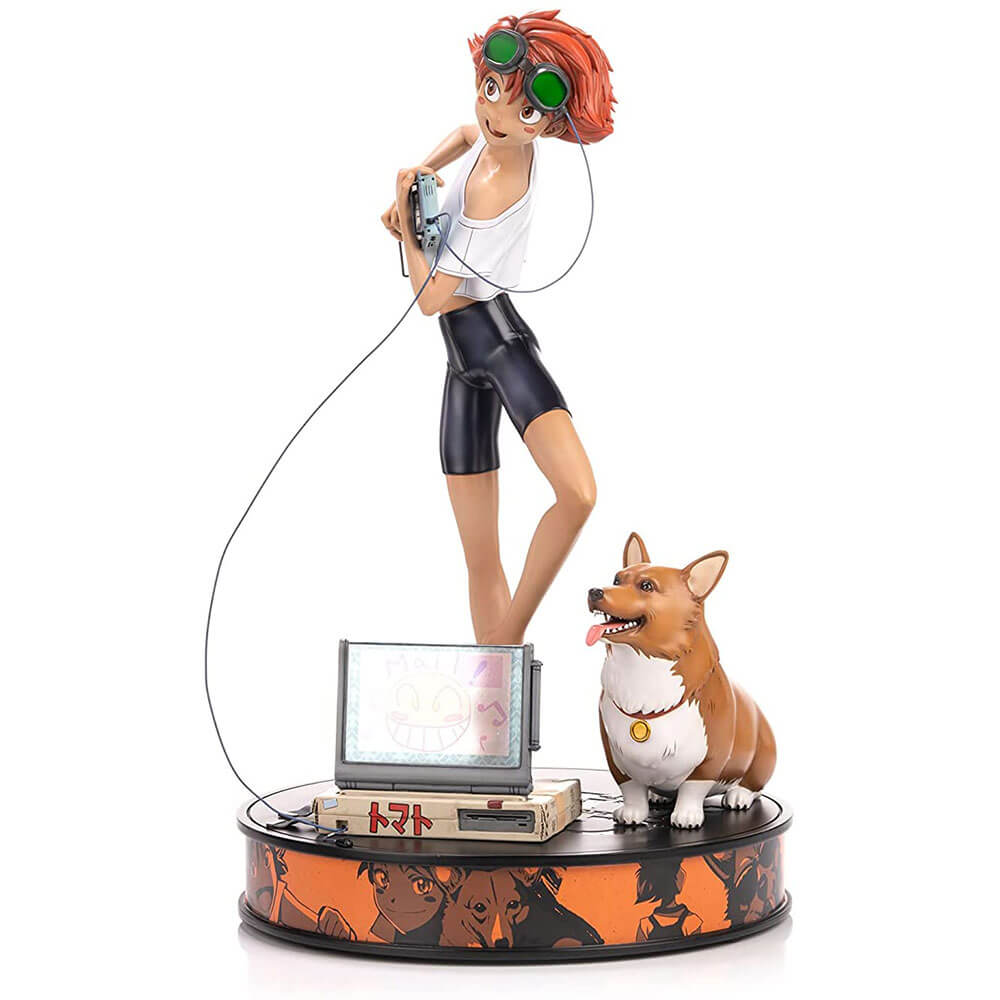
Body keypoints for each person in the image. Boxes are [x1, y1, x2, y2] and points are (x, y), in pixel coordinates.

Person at [381, 10, 615, 645]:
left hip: (498, 345)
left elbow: (432, 299)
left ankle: (505, 643)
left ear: (553, 127)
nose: (498, 117)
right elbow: (468, 133)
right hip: (461, 365)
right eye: (491, 89)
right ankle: (493, 692)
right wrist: (419, 173)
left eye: (524, 111)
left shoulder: (496, 189)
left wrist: (406, 226)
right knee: (480, 557)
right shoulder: (495, 141)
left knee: (577, 493)